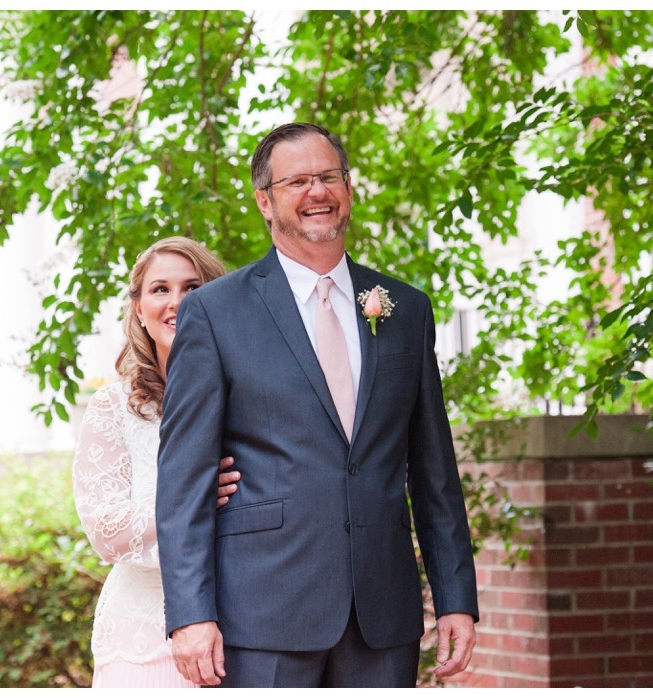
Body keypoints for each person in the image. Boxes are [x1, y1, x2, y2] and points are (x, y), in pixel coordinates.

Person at [156, 123, 479, 688]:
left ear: (348, 188)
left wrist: (456, 598)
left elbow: (434, 471)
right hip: (261, 615)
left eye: (329, 176)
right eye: (297, 181)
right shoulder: (215, 313)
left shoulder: (404, 308)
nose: (317, 192)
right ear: (265, 200)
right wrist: (190, 614)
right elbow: (183, 481)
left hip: (384, 618)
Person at [72, 236, 239, 687]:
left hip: (245, 628)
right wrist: (190, 499)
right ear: (139, 309)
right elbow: (106, 530)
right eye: (160, 289)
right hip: (141, 638)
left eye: (193, 287)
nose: (177, 302)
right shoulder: (114, 406)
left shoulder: (248, 396)